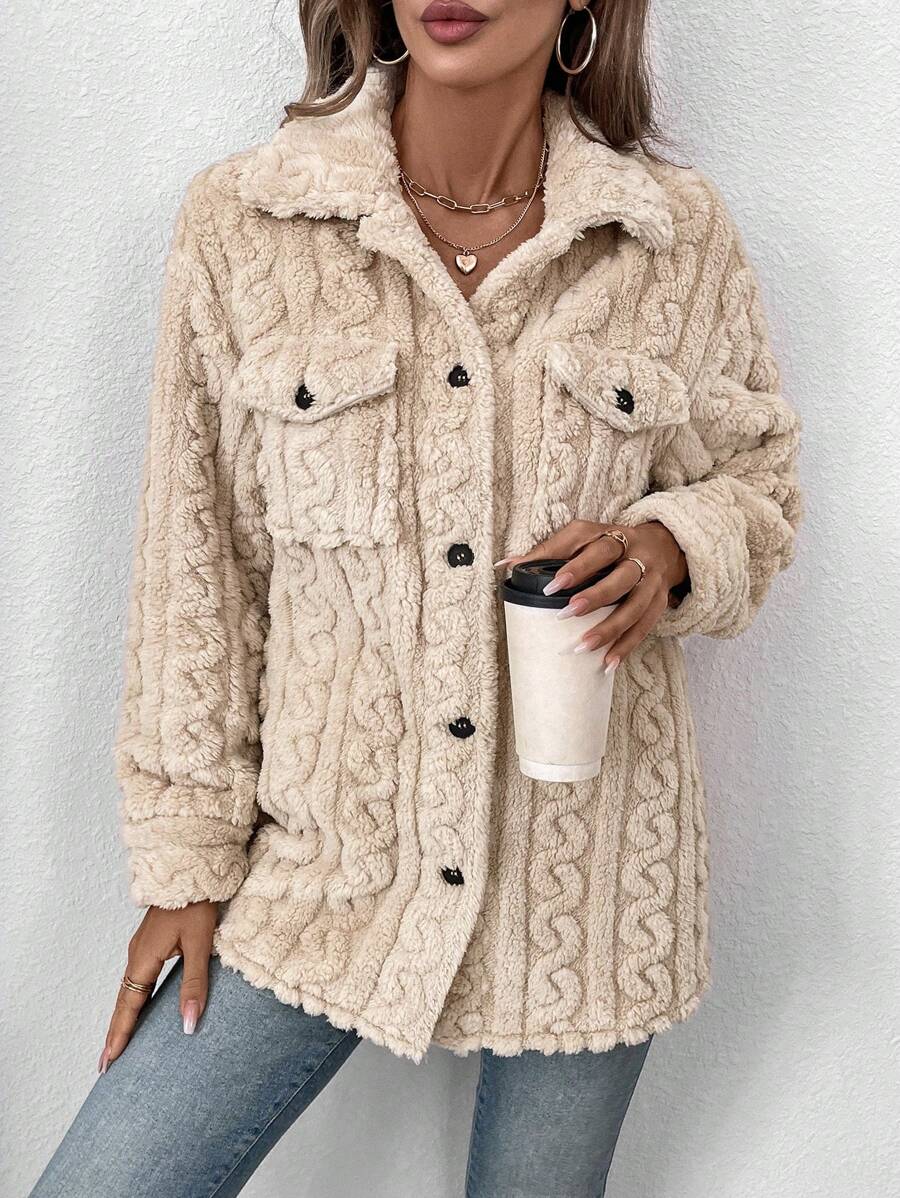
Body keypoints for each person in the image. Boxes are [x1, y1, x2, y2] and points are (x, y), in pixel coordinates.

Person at [29, 1, 804, 1195]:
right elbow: (198, 566)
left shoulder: (670, 237)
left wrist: (670, 546)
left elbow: (759, 480)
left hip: (587, 891)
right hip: (325, 867)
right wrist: (185, 865)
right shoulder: (248, 223)